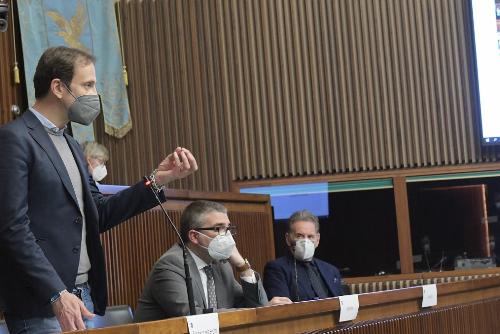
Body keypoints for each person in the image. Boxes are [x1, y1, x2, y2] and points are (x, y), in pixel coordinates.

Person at [0, 46, 198, 334]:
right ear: (58, 87)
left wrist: (157, 180)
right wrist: (56, 292)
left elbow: (98, 213)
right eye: (88, 85)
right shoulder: (15, 138)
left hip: (83, 296)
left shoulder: (71, 144)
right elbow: (11, 227)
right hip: (44, 302)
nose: (95, 94)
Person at [134, 200, 292, 322]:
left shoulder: (220, 264)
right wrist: (255, 311)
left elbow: (256, 305)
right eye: (218, 229)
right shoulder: (170, 265)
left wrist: (242, 266)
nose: (227, 236)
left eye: (228, 228)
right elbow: (193, 318)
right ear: (194, 236)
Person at [263, 210, 343, 302]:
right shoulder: (276, 269)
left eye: (310, 236)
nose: (305, 241)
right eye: (299, 236)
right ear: (288, 239)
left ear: (317, 240)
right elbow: (282, 309)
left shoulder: (331, 270)